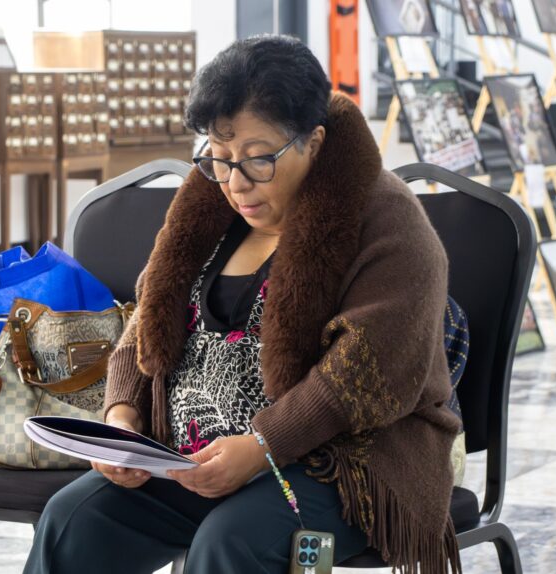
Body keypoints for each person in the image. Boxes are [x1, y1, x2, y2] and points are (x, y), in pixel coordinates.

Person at [25, 35, 462, 574]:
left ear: (315, 141)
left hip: (344, 466)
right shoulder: (208, 204)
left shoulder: (388, 221)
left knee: (233, 542)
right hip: (192, 457)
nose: (235, 183)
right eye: (219, 158)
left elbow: (368, 371)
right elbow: (149, 317)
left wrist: (262, 445)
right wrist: (122, 418)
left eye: (259, 160)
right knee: (74, 520)